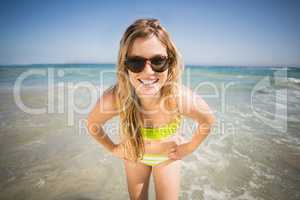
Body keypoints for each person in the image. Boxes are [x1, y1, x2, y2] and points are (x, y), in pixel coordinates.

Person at [87, 18, 215, 200]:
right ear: (125, 65)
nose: (148, 72)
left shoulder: (178, 97)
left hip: (167, 159)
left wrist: (189, 147)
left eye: (158, 61)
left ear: (170, 62)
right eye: (136, 62)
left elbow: (207, 120)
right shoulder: (118, 97)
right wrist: (113, 149)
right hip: (134, 158)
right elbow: (93, 123)